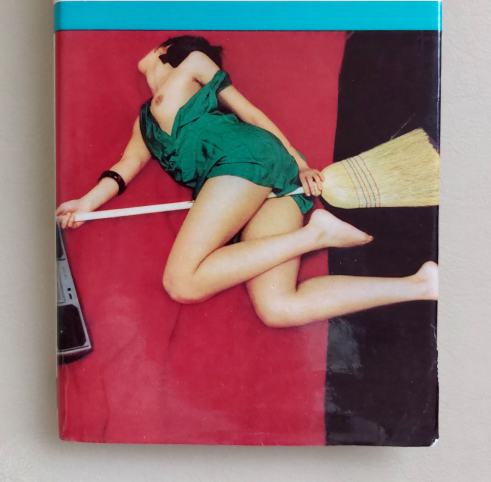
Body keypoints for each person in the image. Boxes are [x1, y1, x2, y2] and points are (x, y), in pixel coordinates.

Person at [56, 35, 438, 327]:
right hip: (250, 184)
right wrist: (85, 204)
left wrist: (300, 163)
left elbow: (252, 114)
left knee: (181, 282)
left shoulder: (192, 63)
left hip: (244, 159)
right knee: (278, 307)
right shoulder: (143, 125)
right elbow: (125, 166)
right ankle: (421, 285)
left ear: (165, 50)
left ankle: (316, 235)